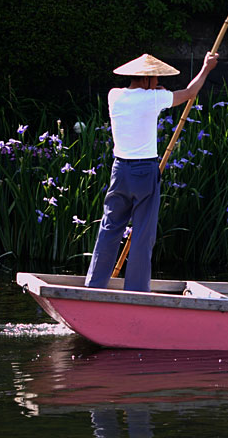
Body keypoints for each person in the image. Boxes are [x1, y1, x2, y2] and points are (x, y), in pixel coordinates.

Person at [85, 52, 219, 292]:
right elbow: (189, 93)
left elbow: (146, 99)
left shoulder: (114, 96)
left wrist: (155, 92)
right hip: (144, 171)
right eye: (155, 78)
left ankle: (94, 285)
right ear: (146, 79)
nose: (158, 82)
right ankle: (136, 290)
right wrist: (206, 69)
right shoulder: (154, 99)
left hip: (119, 171)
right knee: (143, 234)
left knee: (110, 228)